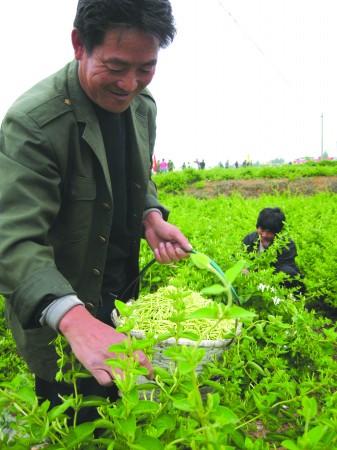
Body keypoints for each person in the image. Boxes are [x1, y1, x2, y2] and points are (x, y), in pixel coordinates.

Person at [0, 0, 192, 422]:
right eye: (117, 66)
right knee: (75, 418)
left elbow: (134, 176)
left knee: (121, 415)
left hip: (122, 302)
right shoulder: (34, 123)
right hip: (61, 315)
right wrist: (74, 320)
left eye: (146, 67)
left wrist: (151, 217)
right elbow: (12, 240)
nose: (130, 83)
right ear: (79, 45)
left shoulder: (143, 109)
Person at [242, 207, 305, 294]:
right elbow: (238, 258)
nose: (264, 235)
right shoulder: (249, 239)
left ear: (277, 232)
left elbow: (278, 271)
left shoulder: (287, 245)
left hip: (280, 285)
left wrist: (253, 275)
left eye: (269, 232)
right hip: (254, 283)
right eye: (262, 230)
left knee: (287, 272)